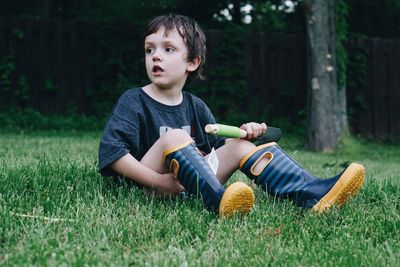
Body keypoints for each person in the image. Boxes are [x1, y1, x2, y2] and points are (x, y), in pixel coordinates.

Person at [98, 14, 365, 218]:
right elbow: (112, 153)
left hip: (187, 188)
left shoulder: (196, 106)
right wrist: (159, 182)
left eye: (168, 49)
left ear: (192, 62)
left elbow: (216, 152)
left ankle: (312, 194)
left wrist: (243, 134)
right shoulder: (134, 100)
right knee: (175, 138)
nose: (156, 56)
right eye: (150, 49)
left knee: (239, 145)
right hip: (148, 188)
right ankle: (220, 201)